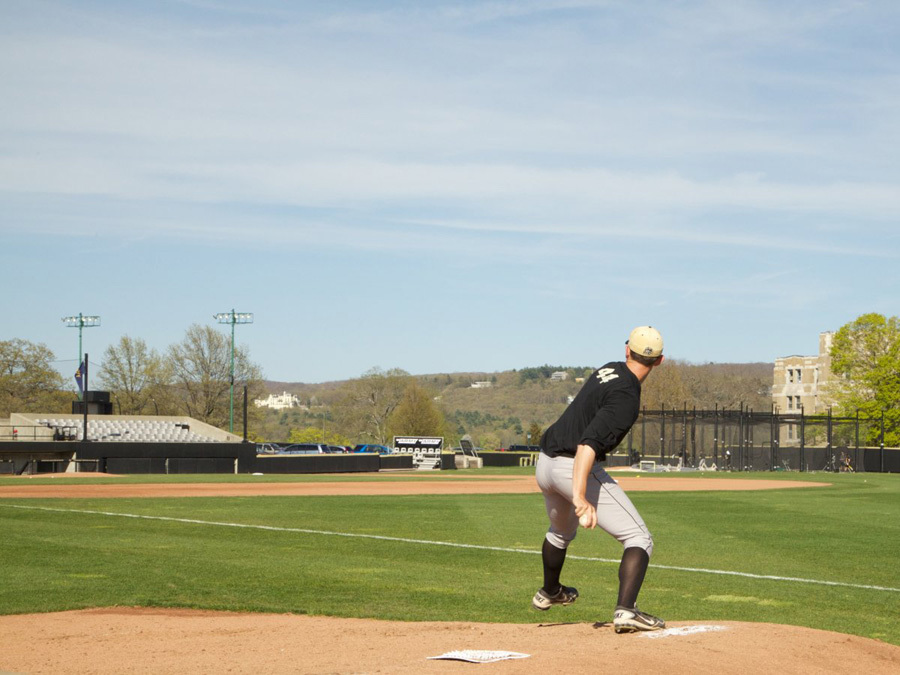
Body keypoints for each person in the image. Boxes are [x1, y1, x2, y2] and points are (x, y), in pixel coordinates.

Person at [532, 326, 666, 633]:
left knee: (560, 532)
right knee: (639, 538)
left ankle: (550, 591)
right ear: (659, 361)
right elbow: (587, 445)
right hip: (572, 465)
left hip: (546, 464)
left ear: (626, 350)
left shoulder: (609, 369)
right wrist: (580, 497)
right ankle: (626, 610)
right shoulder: (627, 397)